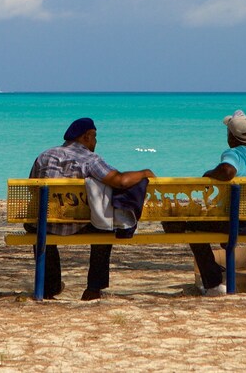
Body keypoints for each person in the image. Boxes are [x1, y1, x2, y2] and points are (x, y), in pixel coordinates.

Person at [25, 117, 155, 301]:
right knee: (105, 228)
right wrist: (144, 173)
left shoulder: (44, 156)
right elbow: (120, 181)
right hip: (77, 224)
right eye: (94, 137)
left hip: (46, 222)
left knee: (40, 223)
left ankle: (49, 286)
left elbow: (32, 187)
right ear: (86, 136)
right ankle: (93, 288)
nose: (96, 142)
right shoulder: (90, 159)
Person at [168, 109, 246, 297]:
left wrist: (209, 174)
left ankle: (214, 284)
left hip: (239, 224)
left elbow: (228, 171)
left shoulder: (235, 154)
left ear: (231, 136)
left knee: (193, 229)